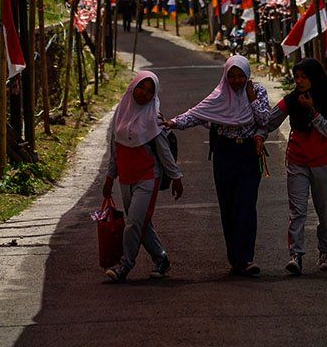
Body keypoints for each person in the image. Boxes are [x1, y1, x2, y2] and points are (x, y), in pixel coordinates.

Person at [165, 55, 270, 277]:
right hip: (225, 154)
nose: (236, 81)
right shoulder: (219, 95)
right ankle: (235, 258)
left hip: (248, 155)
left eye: (241, 76)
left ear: (247, 75)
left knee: (247, 205)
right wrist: (173, 123)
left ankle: (247, 258)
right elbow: (196, 114)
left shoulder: (257, 92)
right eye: (231, 76)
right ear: (225, 76)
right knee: (229, 206)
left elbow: (264, 120)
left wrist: (251, 98)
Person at [102, 71, 183, 282]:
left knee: (134, 223)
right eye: (141, 88)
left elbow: (164, 151)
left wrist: (176, 177)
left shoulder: (153, 117)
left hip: (148, 177)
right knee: (140, 222)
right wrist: (110, 177)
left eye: (150, 91)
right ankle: (161, 258)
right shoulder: (121, 112)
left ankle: (124, 265)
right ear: (133, 86)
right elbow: (115, 149)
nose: (144, 94)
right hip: (126, 178)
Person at [264, 58, 327, 275]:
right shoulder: (291, 100)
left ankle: (325, 252)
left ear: (314, 78)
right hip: (297, 161)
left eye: (303, 77)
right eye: (296, 77)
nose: (299, 81)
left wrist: (313, 111)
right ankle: (295, 255)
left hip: (322, 162)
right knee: (297, 211)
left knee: (325, 211)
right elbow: (270, 120)